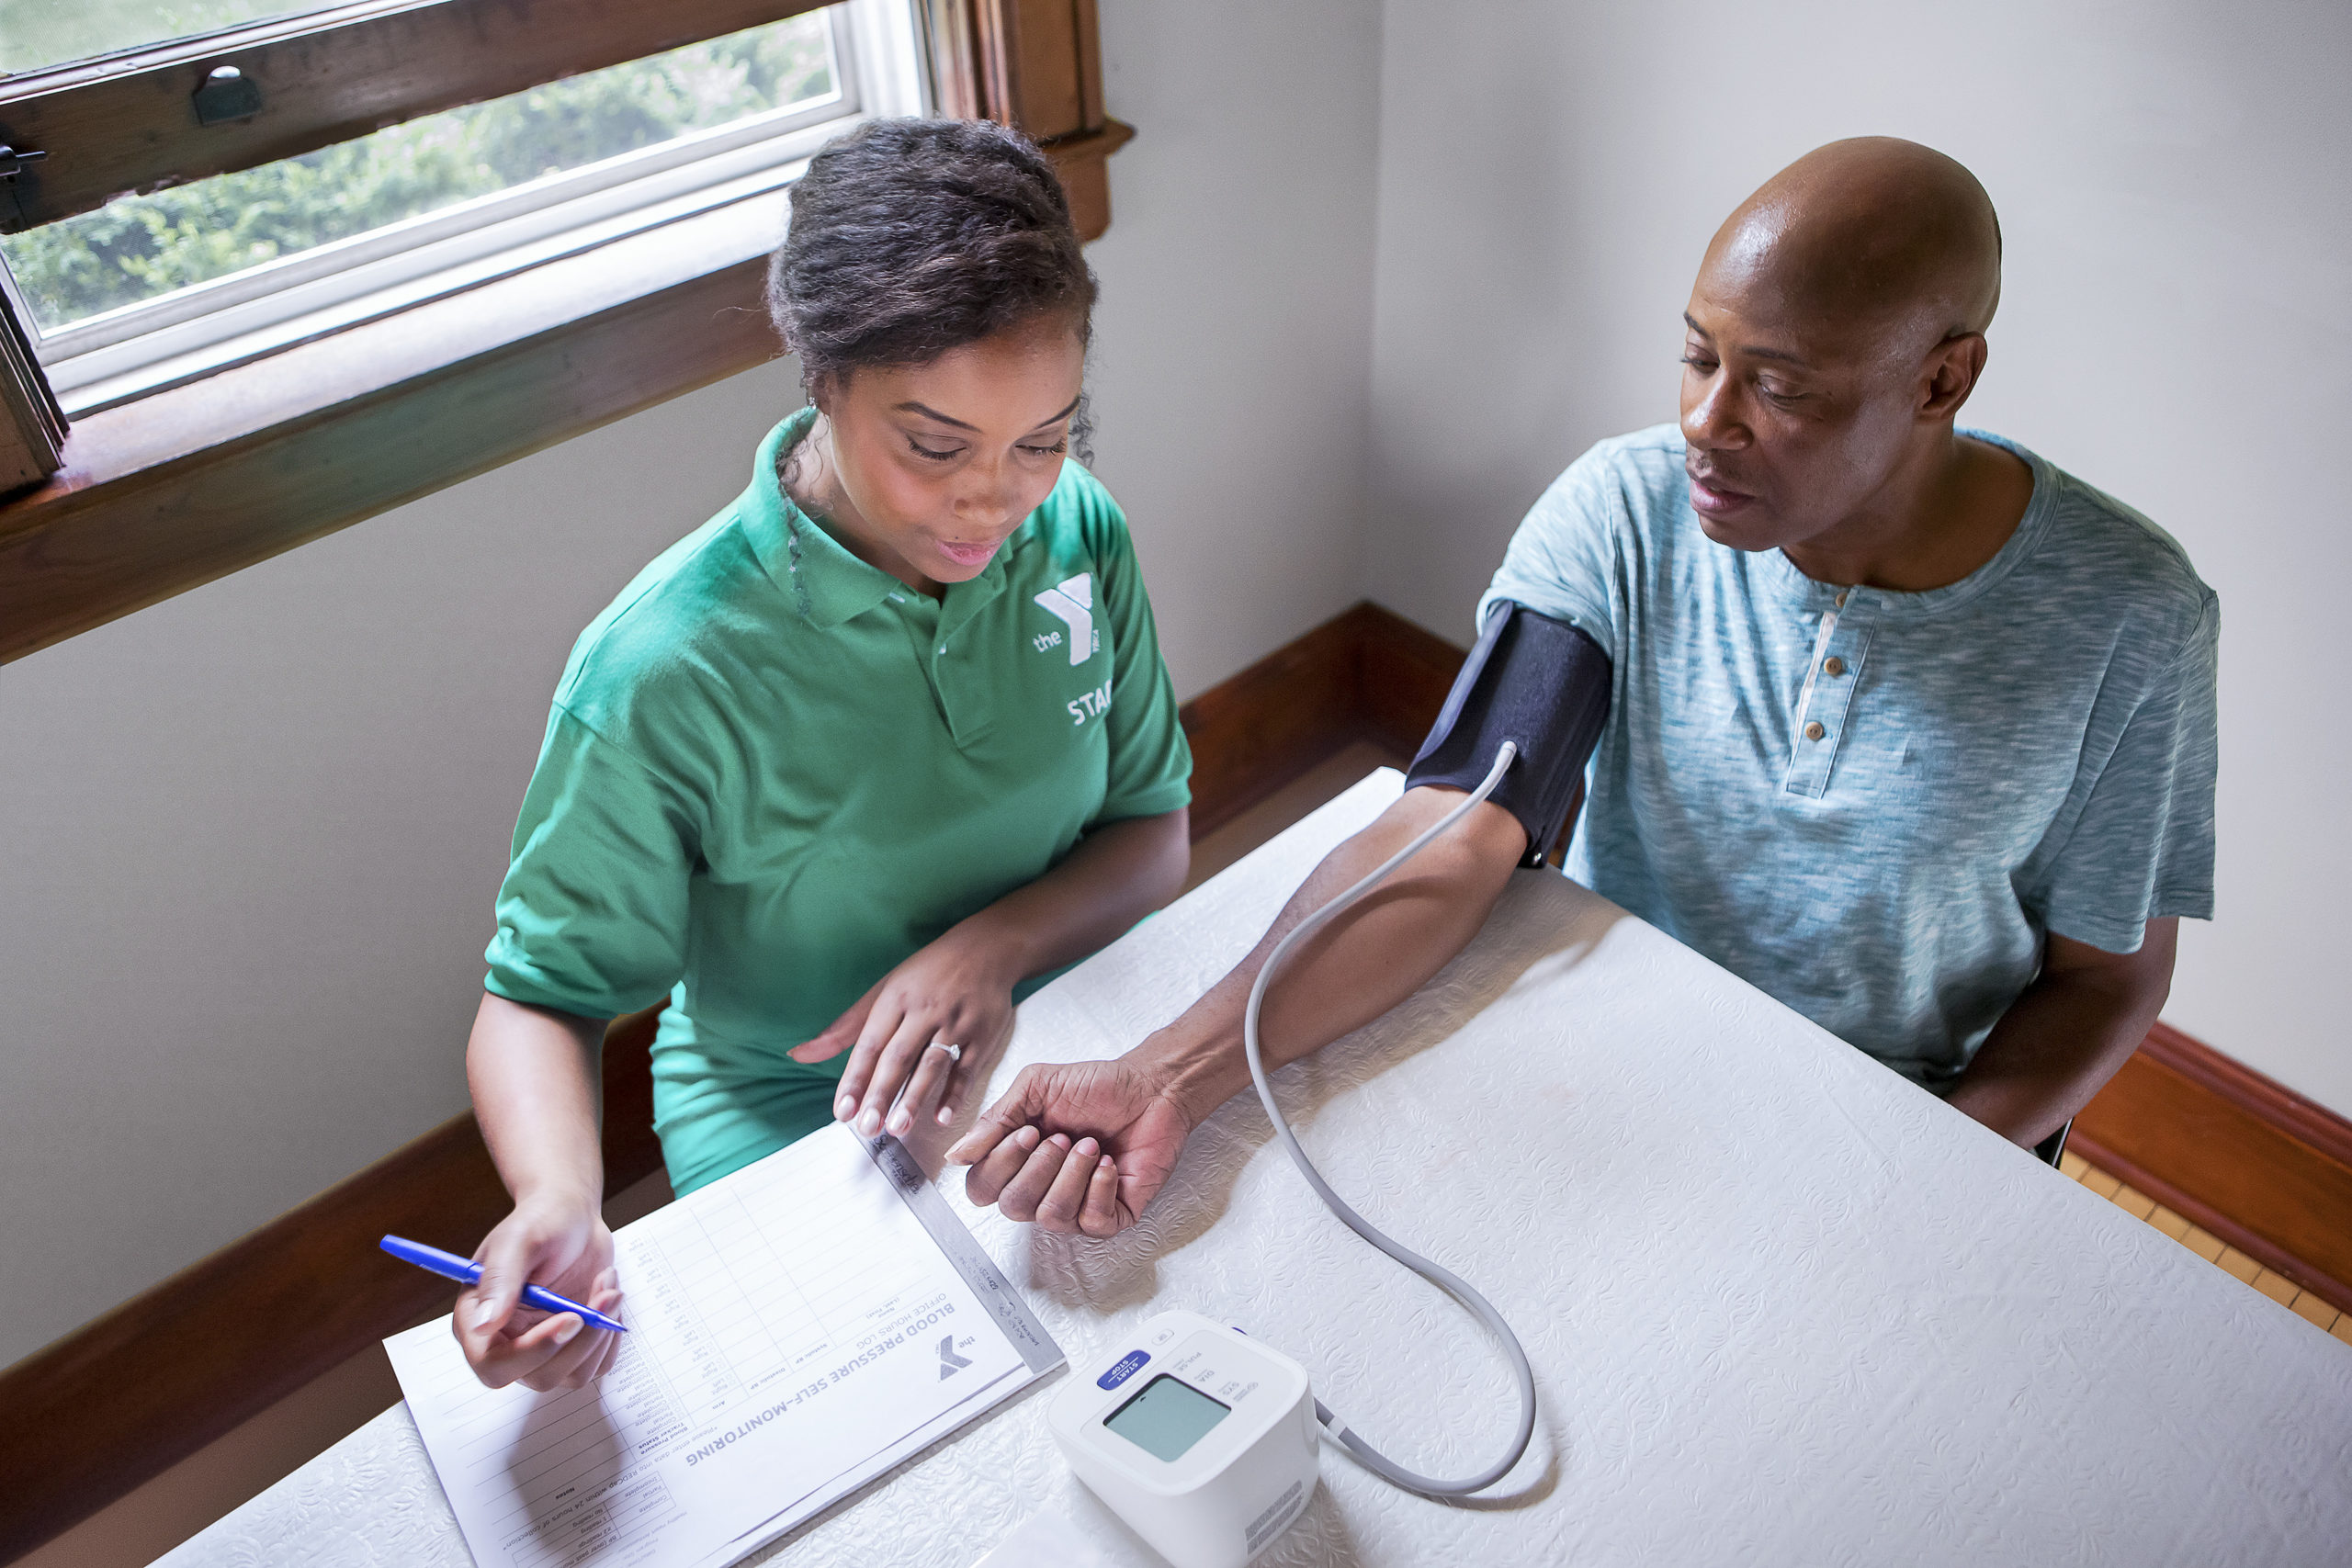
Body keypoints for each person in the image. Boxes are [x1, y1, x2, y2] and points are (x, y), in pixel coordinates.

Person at [947, 137, 2218, 1236]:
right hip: (1612, 1072)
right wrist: (1168, 1075)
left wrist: (1921, 1183)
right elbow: (1449, 829)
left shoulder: (2131, 618)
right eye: (1697, 355)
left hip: (1904, 1132)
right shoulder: (1626, 514)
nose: (1707, 424)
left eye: (1777, 387)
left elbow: (2105, 980)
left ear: (1942, 378)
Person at [455, 118, 1193, 1390]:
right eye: (934, 444)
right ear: (820, 376)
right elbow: (544, 995)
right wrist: (561, 1197)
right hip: (802, 1110)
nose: (998, 502)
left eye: (1044, 436)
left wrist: (987, 951)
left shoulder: (1078, 532)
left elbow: (1152, 830)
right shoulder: (662, 667)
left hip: (1066, 1033)